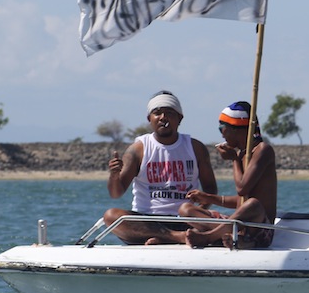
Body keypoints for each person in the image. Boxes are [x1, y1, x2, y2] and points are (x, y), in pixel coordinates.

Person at [103, 90, 218, 245]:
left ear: (180, 118)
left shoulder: (195, 147)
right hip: (148, 221)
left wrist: (199, 212)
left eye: (170, 113)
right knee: (111, 216)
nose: (163, 117)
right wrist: (114, 175)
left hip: (185, 219)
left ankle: (165, 238)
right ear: (149, 119)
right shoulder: (138, 149)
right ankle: (177, 237)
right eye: (157, 113)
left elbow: (211, 190)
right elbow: (116, 193)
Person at [173, 101, 278, 249]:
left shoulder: (263, 150)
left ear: (236, 129)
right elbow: (241, 200)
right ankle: (228, 238)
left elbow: (243, 189)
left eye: (222, 128)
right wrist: (208, 197)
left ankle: (209, 237)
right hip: (239, 225)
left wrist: (234, 159)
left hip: (259, 227)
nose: (221, 133)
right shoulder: (242, 153)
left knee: (253, 204)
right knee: (185, 209)